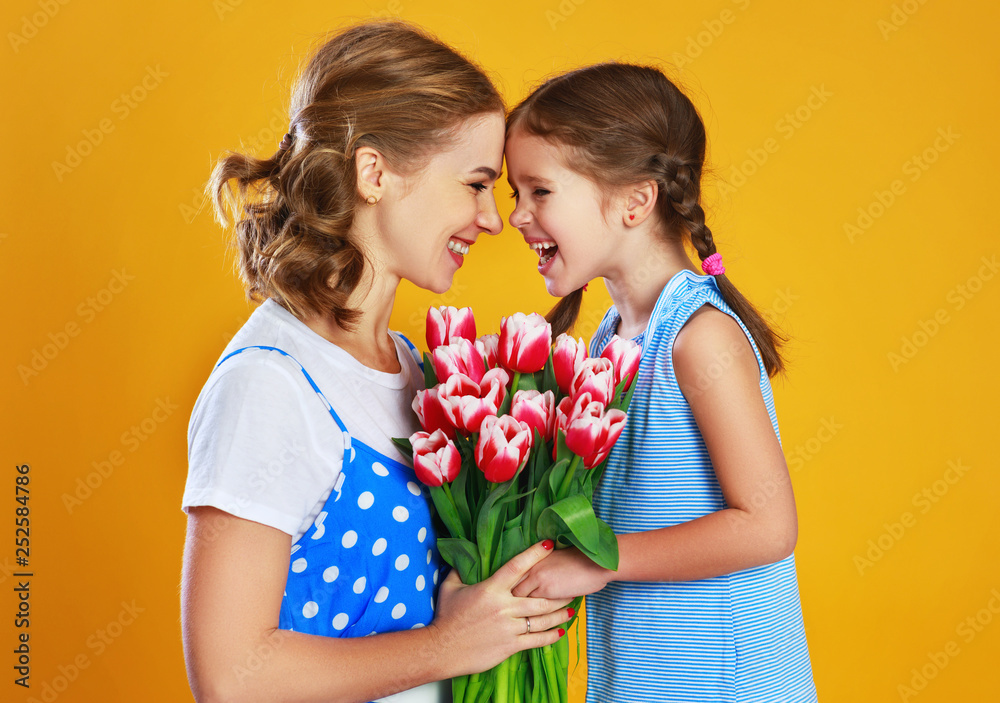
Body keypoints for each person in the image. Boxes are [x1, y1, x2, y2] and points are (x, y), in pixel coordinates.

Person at [180, 20, 572, 703]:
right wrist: (448, 645)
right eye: (475, 183)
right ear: (374, 172)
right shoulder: (269, 385)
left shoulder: (418, 371)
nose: (491, 219)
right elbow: (229, 677)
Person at [503, 62, 817, 702]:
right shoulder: (611, 341)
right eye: (515, 192)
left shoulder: (699, 339)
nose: (516, 216)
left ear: (634, 201)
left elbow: (767, 526)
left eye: (539, 191)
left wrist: (595, 562)